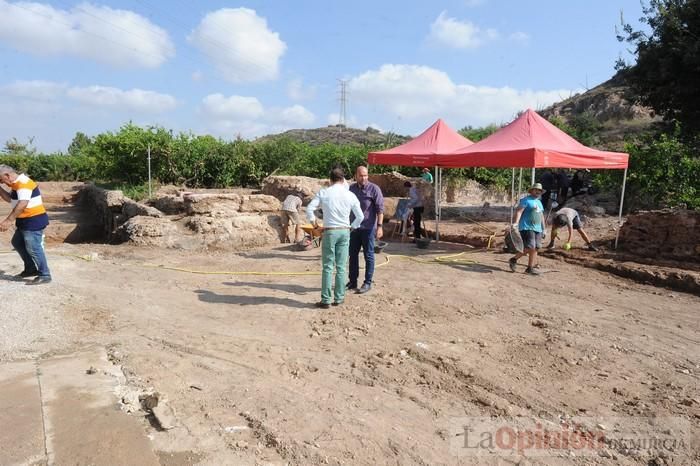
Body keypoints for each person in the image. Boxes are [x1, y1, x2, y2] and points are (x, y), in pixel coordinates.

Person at [306, 168, 363, 309]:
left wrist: (314, 226)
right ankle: (339, 297)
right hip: (344, 231)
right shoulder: (350, 195)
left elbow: (309, 209)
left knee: (327, 267)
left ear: (330, 179)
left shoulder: (324, 192)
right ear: (343, 179)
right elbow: (360, 216)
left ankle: (325, 300)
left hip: (329, 231)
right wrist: (352, 227)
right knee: (341, 266)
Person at [0, 165, 52, 284]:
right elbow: (10, 199)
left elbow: (22, 204)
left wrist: (8, 221)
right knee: (17, 242)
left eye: (1, 180)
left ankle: (45, 274)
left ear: (7, 175)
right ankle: (30, 269)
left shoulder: (23, 183)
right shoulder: (16, 184)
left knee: (34, 248)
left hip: (33, 220)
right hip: (25, 220)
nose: (3, 183)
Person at [348, 165, 384, 294]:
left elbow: (380, 210)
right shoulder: (351, 188)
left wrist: (379, 227)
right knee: (352, 255)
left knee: (368, 255)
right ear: (356, 175)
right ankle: (352, 281)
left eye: (365, 175)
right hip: (353, 228)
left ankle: (367, 282)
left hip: (368, 228)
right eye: (361, 175)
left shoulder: (374, 189)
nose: (363, 178)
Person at [509, 183, 546, 276]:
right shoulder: (526, 200)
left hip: (538, 228)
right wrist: (515, 223)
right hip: (526, 226)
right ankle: (529, 268)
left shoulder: (539, 202)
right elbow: (519, 211)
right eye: (536, 190)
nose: (538, 192)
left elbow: (541, 216)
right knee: (531, 247)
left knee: (536, 247)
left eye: (539, 190)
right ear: (532, 190)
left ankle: (516, 260)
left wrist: (544, 229)